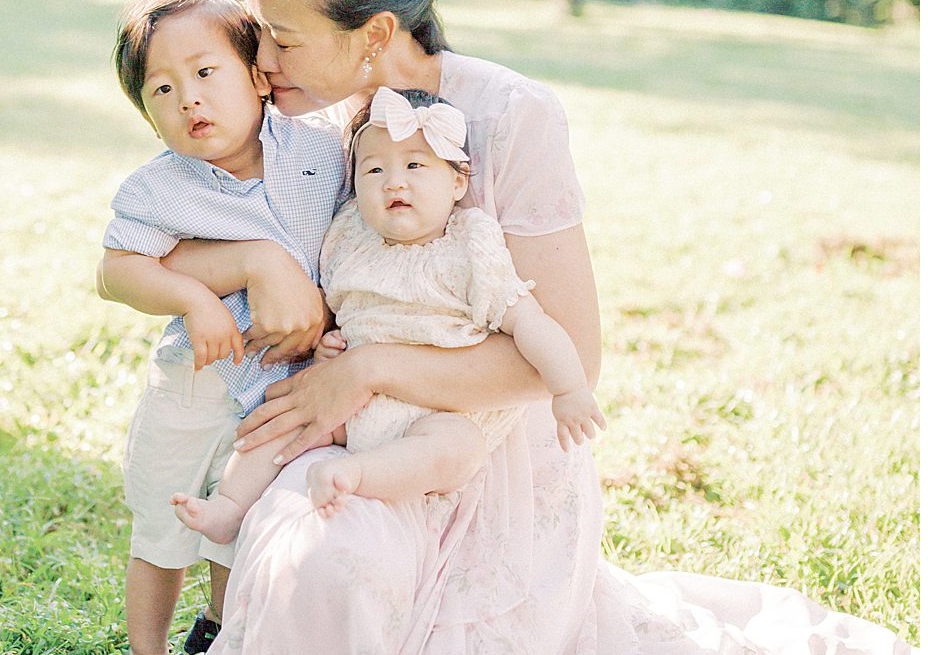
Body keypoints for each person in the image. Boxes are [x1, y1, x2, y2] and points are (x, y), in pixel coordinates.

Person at [147, 0, 916, 655]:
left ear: (375, 31)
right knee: (312, 562)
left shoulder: (512, 116)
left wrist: (369, 370)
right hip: (347, 434)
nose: (260, 60)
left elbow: (571, 354)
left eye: (279, 36)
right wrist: (254, 261)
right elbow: (156, 225)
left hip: (481, 452)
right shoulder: (297, 126)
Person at [172, 85, 605, 544]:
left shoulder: (468, 246)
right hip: (349, 403)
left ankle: (356, 474)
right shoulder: (349, 239)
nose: (394, 182)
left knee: (457, 449)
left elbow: (531, 323)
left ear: (458, 181)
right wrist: (327, 349)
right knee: (279, 421)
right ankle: (230, 505)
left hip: (433, 407)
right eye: (374, 169)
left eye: (415, 165)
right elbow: (339, 314)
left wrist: (570, 388)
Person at [95, 0, 345, 655]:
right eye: (163, 90)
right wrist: (193, 296)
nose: (189, 101)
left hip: (279, 386)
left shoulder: (320, 155)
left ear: (257, 75)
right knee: (164, 514)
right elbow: (118, 269)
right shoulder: (158, 188)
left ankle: (215, 627)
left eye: (206, 73)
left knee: (240, 519)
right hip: (195, 383)